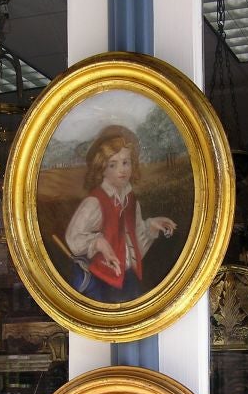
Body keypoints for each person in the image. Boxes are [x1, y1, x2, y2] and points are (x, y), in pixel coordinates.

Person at [64, 125, 177, 302]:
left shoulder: (131, 201)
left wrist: (150, 227)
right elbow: (73, 238)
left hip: (128, 278)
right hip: (102, 281)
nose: (122, 170)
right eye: (113, 164)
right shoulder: (94, 203)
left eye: (126, 162)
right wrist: (99, 243)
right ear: (102, 168)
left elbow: (134, 247)